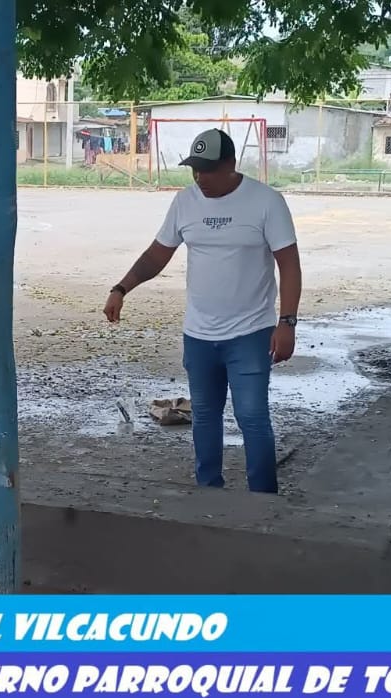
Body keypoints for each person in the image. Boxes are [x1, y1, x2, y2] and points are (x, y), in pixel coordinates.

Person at [102, 128, 302, 494]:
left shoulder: (266, 202)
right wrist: (121, 288)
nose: (200, 177)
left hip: (251, 333)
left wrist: (286, 322)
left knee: (252, 417)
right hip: (198, 335)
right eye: (195, 169)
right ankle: (208, 494)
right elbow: (156, 255)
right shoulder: (185, 202)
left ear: (231, 164)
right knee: (205, 418)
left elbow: (289, 264)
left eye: (208, 169)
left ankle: (264, 500)